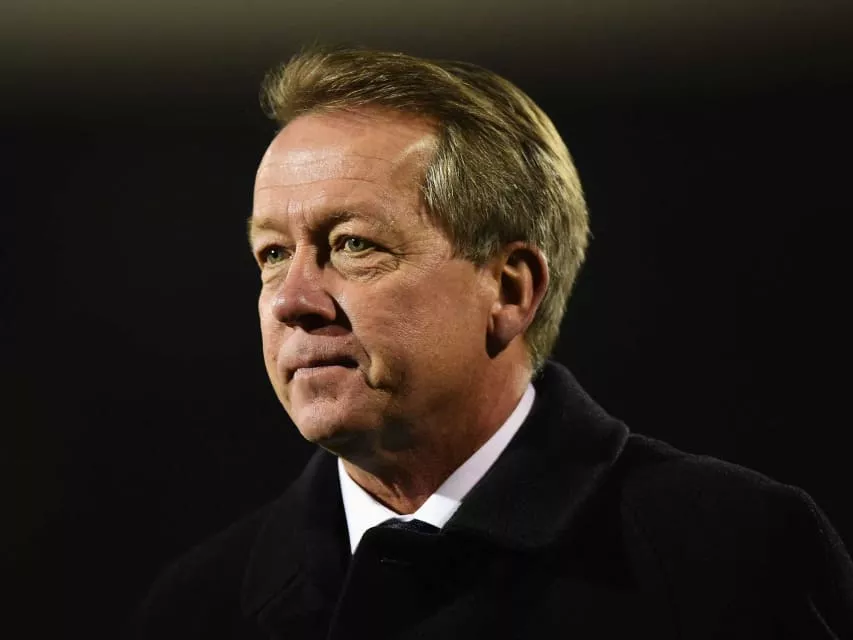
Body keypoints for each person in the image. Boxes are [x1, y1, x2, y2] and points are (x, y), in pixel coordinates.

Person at [129, 45, 853, 639]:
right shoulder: (197, 607)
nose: (291, 301)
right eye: (272, 254)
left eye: (352, 244)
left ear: (508, 290)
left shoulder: (728, 554)